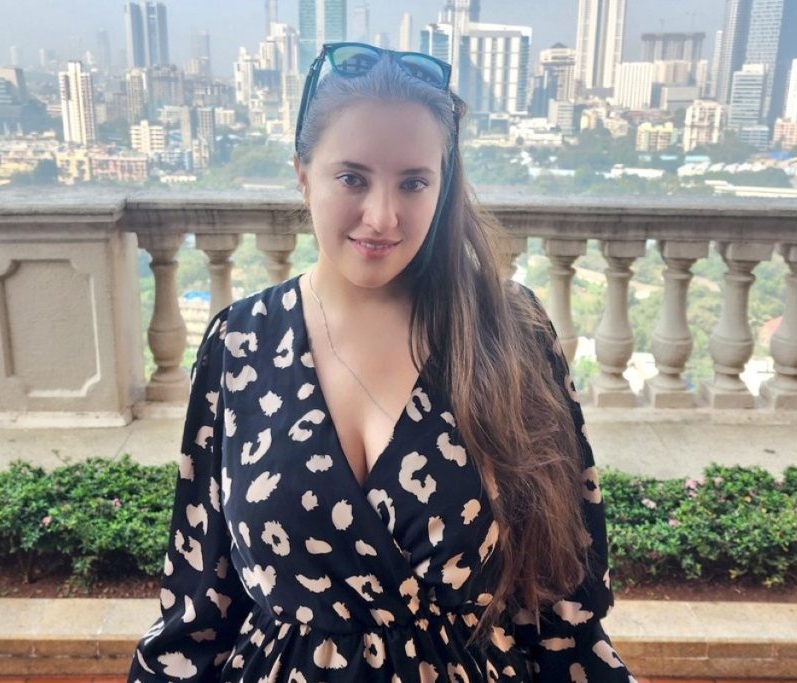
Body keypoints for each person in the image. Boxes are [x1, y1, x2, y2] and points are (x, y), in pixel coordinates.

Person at [127, 42, 636, 682]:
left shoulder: (508, 331)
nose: (382, 216)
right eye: (352, 178)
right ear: (302, 174)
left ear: (442, 187)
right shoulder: (240, 343)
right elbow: (200, 601)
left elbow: (564, 596)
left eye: (413, 182)